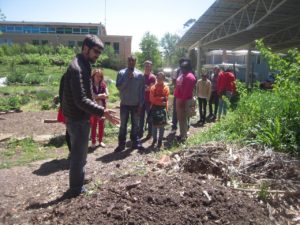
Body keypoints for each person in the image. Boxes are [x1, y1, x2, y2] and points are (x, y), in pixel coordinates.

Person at [62, 34, 119, 198]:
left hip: (80, 117)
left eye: (99, 53)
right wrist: (102, 111)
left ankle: (79, 180)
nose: (97, 55)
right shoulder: (77, 68)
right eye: (95, 51)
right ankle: (75, 190)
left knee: (81, 154)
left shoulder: (84, 64)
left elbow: (85, 95)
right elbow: (80, 100)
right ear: (85, 48)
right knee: (78, 157)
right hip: (77, 119)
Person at [115, 55, 145, 152]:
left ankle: (135, 142)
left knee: (135, 125)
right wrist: (127, 78)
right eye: (129, 60)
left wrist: (141, 105)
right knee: (123, 125)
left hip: (135, 104)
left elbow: (141, 91)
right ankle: (121, 144)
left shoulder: (140, 74)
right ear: (127, 61)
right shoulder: (121, 73)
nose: (131, 62)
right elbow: (119, 87)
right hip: (124, 104)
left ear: (135, 62)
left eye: (133, 60)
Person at [174, 60, 196, 142]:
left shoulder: (189, 77)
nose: (182, 69)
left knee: (182, 118)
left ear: (187, 68)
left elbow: (187, 91)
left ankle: (183, 136)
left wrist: (182, 101)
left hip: (183, 100)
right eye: (181, 67)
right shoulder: (184, 75)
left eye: (183, 67)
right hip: (180, 98)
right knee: (181, 118)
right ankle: (183, 133)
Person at [149, 72, 169, 148]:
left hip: (163, 109)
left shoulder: (166, 88)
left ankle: (160, 140)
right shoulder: (153, 88)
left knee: (162, 126)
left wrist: (157, 98)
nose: (160, 79)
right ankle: (154, 139)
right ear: (156, 78)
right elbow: (151, 99)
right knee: (154, 125)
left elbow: (166, 99)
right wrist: (161, 99)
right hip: (154, 108)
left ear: (164, 79)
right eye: (158, 78)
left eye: (161, 78)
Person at [90, 68, 109, 148]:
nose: (98, 78)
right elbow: (91, 96)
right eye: (97, 76)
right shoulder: (90, 85)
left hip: (102, 107)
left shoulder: (103, 85)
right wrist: (101, 96)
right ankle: (93, 141)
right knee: (93, 125)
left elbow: (107, 95)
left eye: (100, 76)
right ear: (93, 76)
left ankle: (100, 141)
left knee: (101, 125)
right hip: (93, 108)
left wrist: (98, 96)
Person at [138, 60, 156, 140]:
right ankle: (140, 133)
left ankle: (150, 133)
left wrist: (144, 88)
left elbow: (150, 88)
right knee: (141, 117)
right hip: (141, 100)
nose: (147, 67)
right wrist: (145, 88)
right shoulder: (141, 76)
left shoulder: (152, 77)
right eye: (146, 66)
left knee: (150, 117)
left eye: (149, 66)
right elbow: (139, 87)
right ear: (144, 67)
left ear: (151, 67)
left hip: (149, 100)